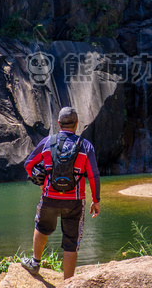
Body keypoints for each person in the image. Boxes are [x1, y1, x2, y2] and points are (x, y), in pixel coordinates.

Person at [21, 106, 101, 279]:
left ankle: (35, 263)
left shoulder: (47, 142)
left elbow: (28, 164)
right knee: (71, 243)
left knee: (41, 227)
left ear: (58, 123)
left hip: (50, 197)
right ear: (77, 124)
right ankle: (68, 282)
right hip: (75, 201)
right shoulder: (86, 146)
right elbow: (93, 175)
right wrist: (96, 200)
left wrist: (40, 183)